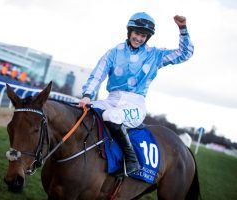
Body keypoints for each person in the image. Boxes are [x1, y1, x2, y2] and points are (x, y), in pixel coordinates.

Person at [78, 12, 194, 174]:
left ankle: (131, 160)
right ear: (130, 32)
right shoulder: (114, 52)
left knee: (111, 116)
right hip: (111, 100)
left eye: (144, 36)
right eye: (137, 33)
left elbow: (185, 53)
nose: (139, 38)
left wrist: (182, 28)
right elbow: (98, 74)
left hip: (135, 105)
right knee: (83, 112)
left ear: (148, 38)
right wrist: (87, 95)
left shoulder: (155, 55)